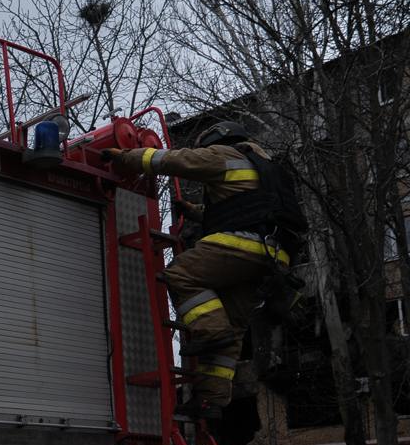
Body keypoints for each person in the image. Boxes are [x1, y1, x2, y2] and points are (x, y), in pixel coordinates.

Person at [103, 120, 307, 423]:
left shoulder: (222, 155)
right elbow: (247, 208)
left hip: (244, 247)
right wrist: (193, 211)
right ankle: (210, 401)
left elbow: (172, 160)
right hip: (274, 258)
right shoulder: (264, 168)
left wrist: (126, 158)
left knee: (182, 274)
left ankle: (213, 331)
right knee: (235, 326)